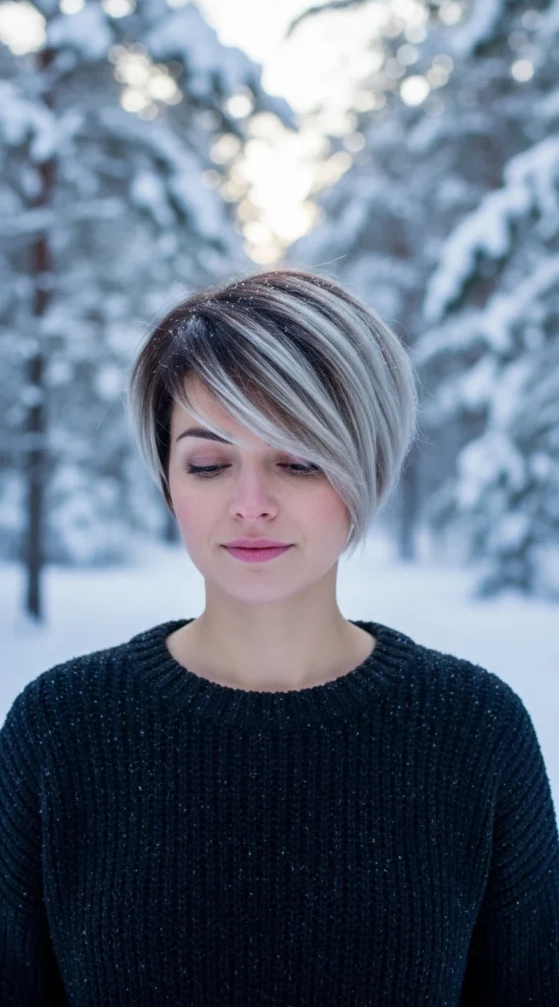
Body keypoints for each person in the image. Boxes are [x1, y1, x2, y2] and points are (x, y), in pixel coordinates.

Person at [1, 267, 558, 1005]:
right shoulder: (60, 729)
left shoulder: (473, 731)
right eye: (208, 463)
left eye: (297, 460)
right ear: (168, 479)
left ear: (364, 467)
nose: (250, 504)